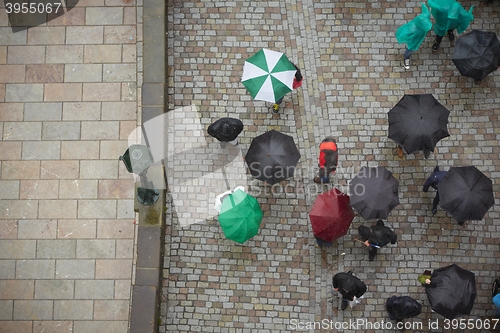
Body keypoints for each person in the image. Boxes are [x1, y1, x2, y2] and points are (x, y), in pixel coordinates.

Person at [395, 2, 433, 70]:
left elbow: (426, 11)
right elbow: (406, 35)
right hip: (415, 40)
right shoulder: (412, 29)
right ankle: (406, 59)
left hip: (419, 37)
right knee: (410, 49)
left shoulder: (424, 16)